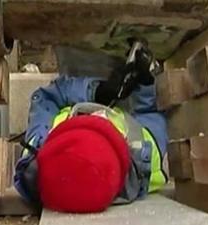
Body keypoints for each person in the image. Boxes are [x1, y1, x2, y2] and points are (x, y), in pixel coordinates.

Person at [14, 39, 168, 213]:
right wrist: (145, 82)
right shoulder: (144, 156)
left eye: (85, 116)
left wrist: (95, 91)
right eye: (101, 119)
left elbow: (48, 97)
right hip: (124, 89)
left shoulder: (37, 153)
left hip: (75, 58)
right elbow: (150, 114)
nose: (99, 113)